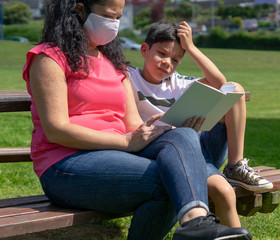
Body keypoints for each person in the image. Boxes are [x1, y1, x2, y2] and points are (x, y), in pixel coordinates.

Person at [22, 1, 252, 240]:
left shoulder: (114, 65)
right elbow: (56, 130)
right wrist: (126, 143)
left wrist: (166, 130)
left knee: (182, 136)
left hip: (116, 155)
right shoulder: (49, 57)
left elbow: (132, 124)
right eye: (108, 16)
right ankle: (195, 225)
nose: (113, 24)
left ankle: (195, 223)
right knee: (170, 180)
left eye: (118, 17)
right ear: (80, 9)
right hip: (64, 165)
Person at [128, 22, 273, 227]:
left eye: (176, 59)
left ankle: (235, 166)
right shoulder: (130, 78)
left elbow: (221, 84)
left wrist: (192, 48)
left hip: (202, 146)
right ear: (144, 50)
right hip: (172, 154)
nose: (167, 63)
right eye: (161, 53)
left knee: (235, 89)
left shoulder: (176, 82)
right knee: (223, 192)